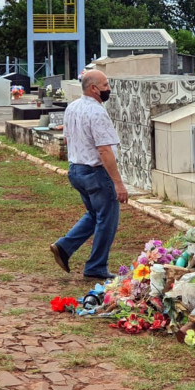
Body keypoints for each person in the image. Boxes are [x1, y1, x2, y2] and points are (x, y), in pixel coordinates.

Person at [50, 69, 128, 280]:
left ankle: (63, 247)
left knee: (95, 214)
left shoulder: (72, 107)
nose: (108, 89)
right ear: (94, 88)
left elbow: (67, 139)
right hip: (95, 172)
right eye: (105, 85)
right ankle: (96, 266)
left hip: (76, 170)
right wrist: (118, 183)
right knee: (107, 219)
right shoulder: (97, 112)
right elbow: (104, 150)